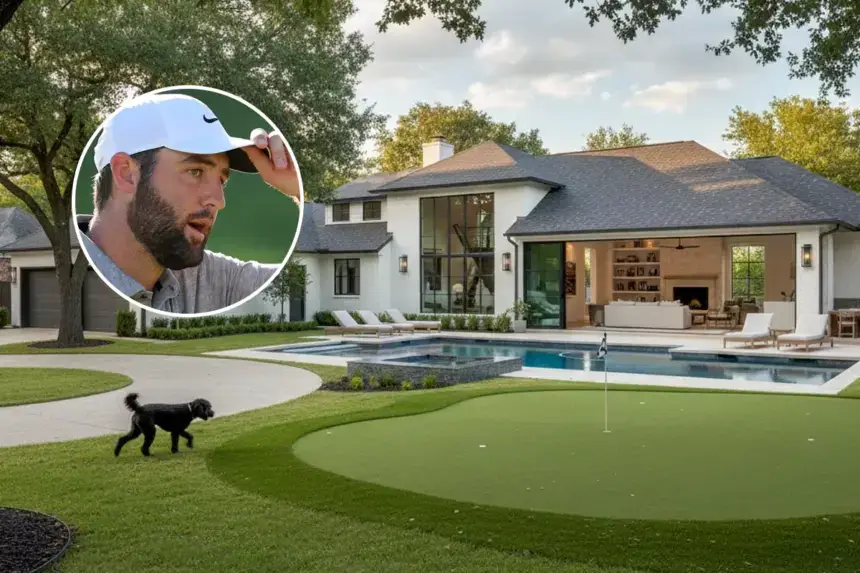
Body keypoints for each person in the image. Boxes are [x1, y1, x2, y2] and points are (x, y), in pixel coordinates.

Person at [78, 92, 301, 313]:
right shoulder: (75, 271)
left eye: (221, 181)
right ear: (126, 174)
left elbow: (296, 281)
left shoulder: (215, 279)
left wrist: (298, 186)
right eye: (195, 171)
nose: (218, 201)